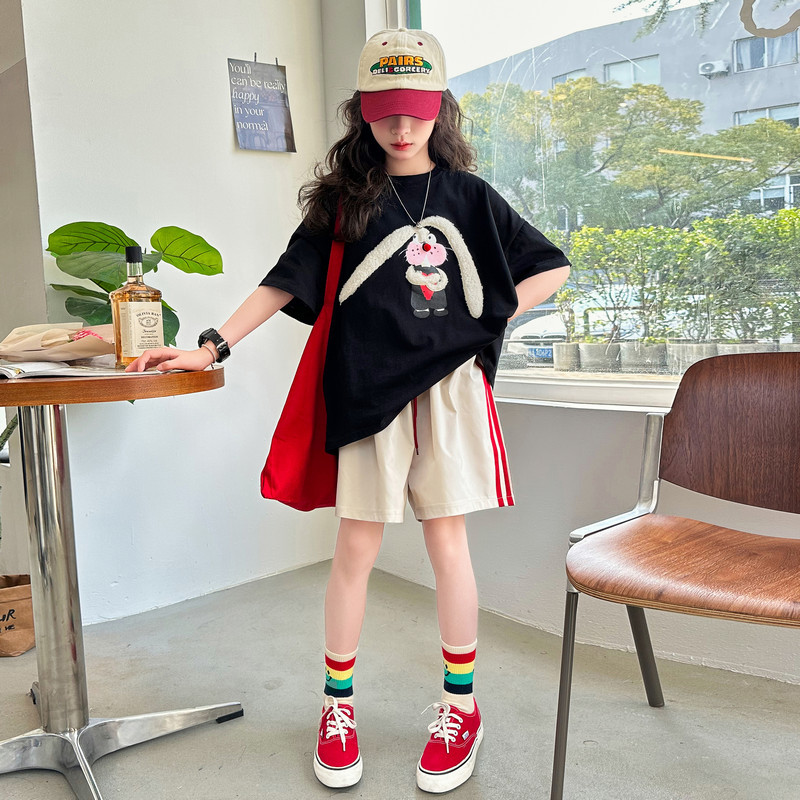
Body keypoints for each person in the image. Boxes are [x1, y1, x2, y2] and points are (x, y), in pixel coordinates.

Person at [128, 27, 570, 794]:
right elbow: (283, 281)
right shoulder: (345, 201)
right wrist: (210, 345)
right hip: (367, 388)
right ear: (364, 109)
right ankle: (337, 708)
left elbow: (551, 267)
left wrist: (482, 319)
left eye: (417, 108)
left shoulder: (469, 197)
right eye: (387, 108)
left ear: (440, 108)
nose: (402, 125)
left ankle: (460, 708)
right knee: (355, 550)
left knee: (448, 546)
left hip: (449, 394)